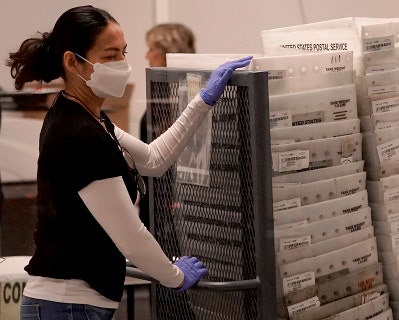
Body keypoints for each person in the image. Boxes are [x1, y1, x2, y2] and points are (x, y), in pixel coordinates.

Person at [5, 5, 252, 319]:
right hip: (67, 304)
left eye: (124, 52)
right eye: (110, 56)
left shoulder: (89, 117)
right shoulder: (78, 133)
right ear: (72, 62)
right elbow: (132, 237)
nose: (123, 64)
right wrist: (174, 276)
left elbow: (152, 159)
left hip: (74, 304)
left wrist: (202, 101)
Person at [140, 23, 196, 230]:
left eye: (152, 49)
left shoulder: (183, 95)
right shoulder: (161, 91)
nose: (147, 55)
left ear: (167, 53)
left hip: (171, 198)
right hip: (156, 191)